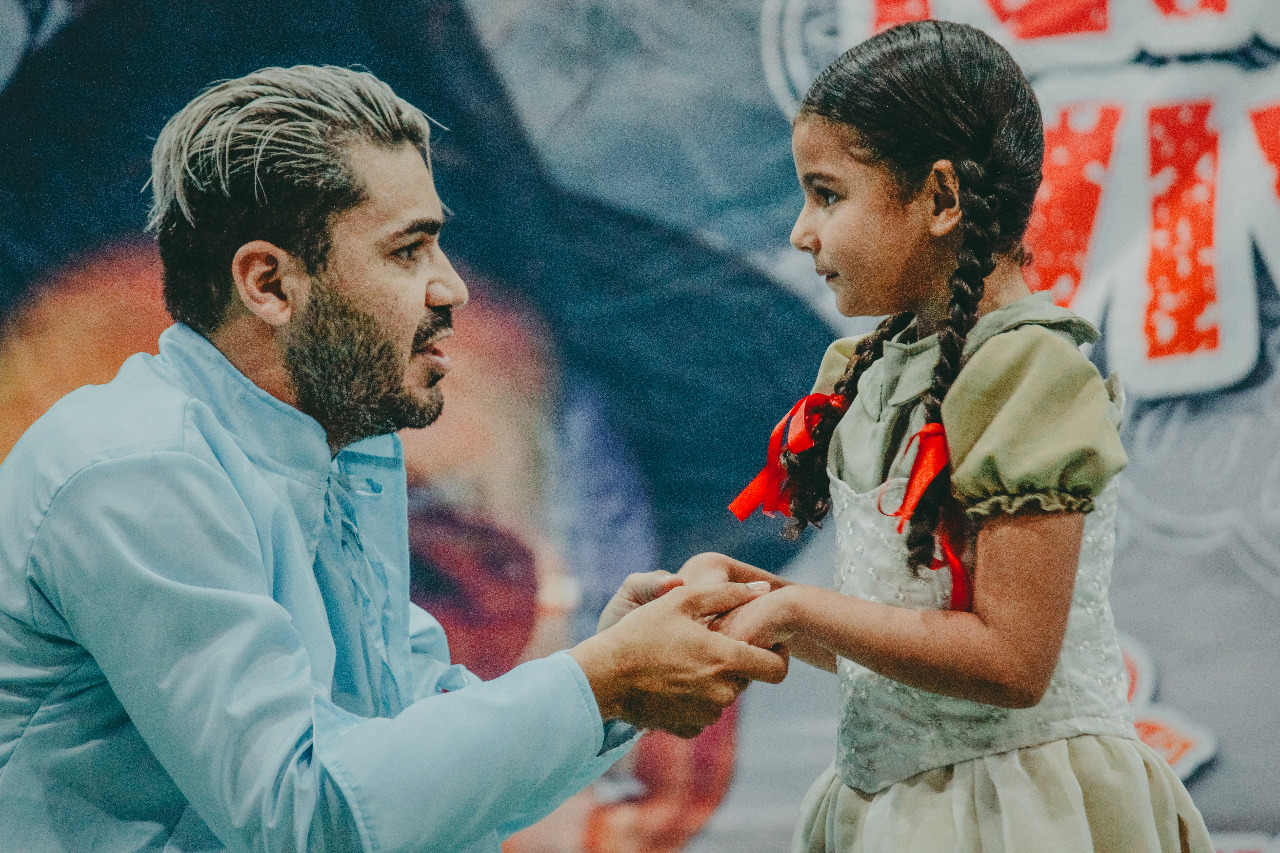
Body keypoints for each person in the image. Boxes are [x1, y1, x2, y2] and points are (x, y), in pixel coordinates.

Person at [0, 65, 788, 852]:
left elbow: (413, 747)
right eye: (408, 250)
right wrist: (600, 681)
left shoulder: (350, 454)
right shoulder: (134, 469)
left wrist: (614, 685)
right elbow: (305, 815)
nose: (449, 286)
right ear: (269, 284)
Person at [693, 20, 1213, 853]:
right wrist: (758, 606)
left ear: (941, 198)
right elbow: (909, 636)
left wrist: (799, 605)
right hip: (896, 807)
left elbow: (1011, 661)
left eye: (827, 194)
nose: (802, 231)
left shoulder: (1029, 370)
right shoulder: (869, 369)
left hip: (1022, 813)